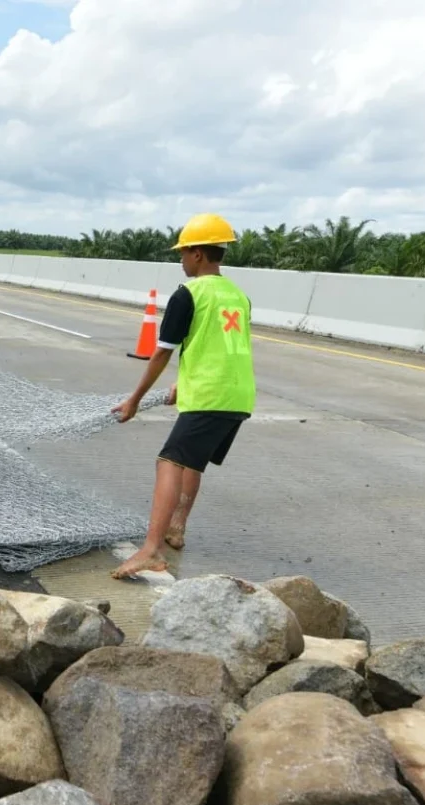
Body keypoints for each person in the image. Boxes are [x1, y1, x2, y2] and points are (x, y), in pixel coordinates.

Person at [110, 213, 256, 578]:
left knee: (169, 462)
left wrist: (135, 399)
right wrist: (183, 384)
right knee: (192, 462)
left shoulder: (188, 294)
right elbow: (218, 344)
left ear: (197, 254)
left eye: (183, 252)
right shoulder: (238, 295)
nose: (181, 260)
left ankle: (150, 549)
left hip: (211, 395)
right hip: (237, 395)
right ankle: (176, 528)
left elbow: (162, 352)